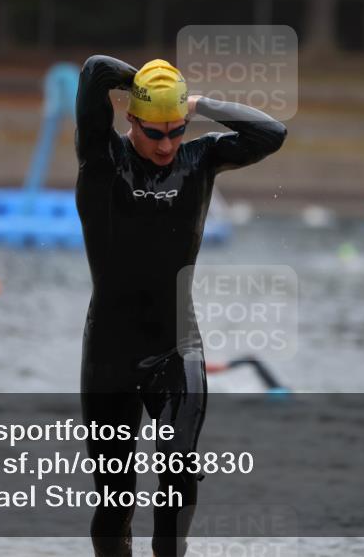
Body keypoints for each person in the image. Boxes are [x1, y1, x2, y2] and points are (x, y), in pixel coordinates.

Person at [75, 55, 287, 557]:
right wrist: (146, 84)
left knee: (179, 469)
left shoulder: (200, 159)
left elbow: (271, 134)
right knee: (114, 499)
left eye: (176, 131)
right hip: (109, 353)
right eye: (155, 132)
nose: (167, 145)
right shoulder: (103, 159)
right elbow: (95, 71)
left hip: (177, 347)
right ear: (131, 118)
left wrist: (197, 103)